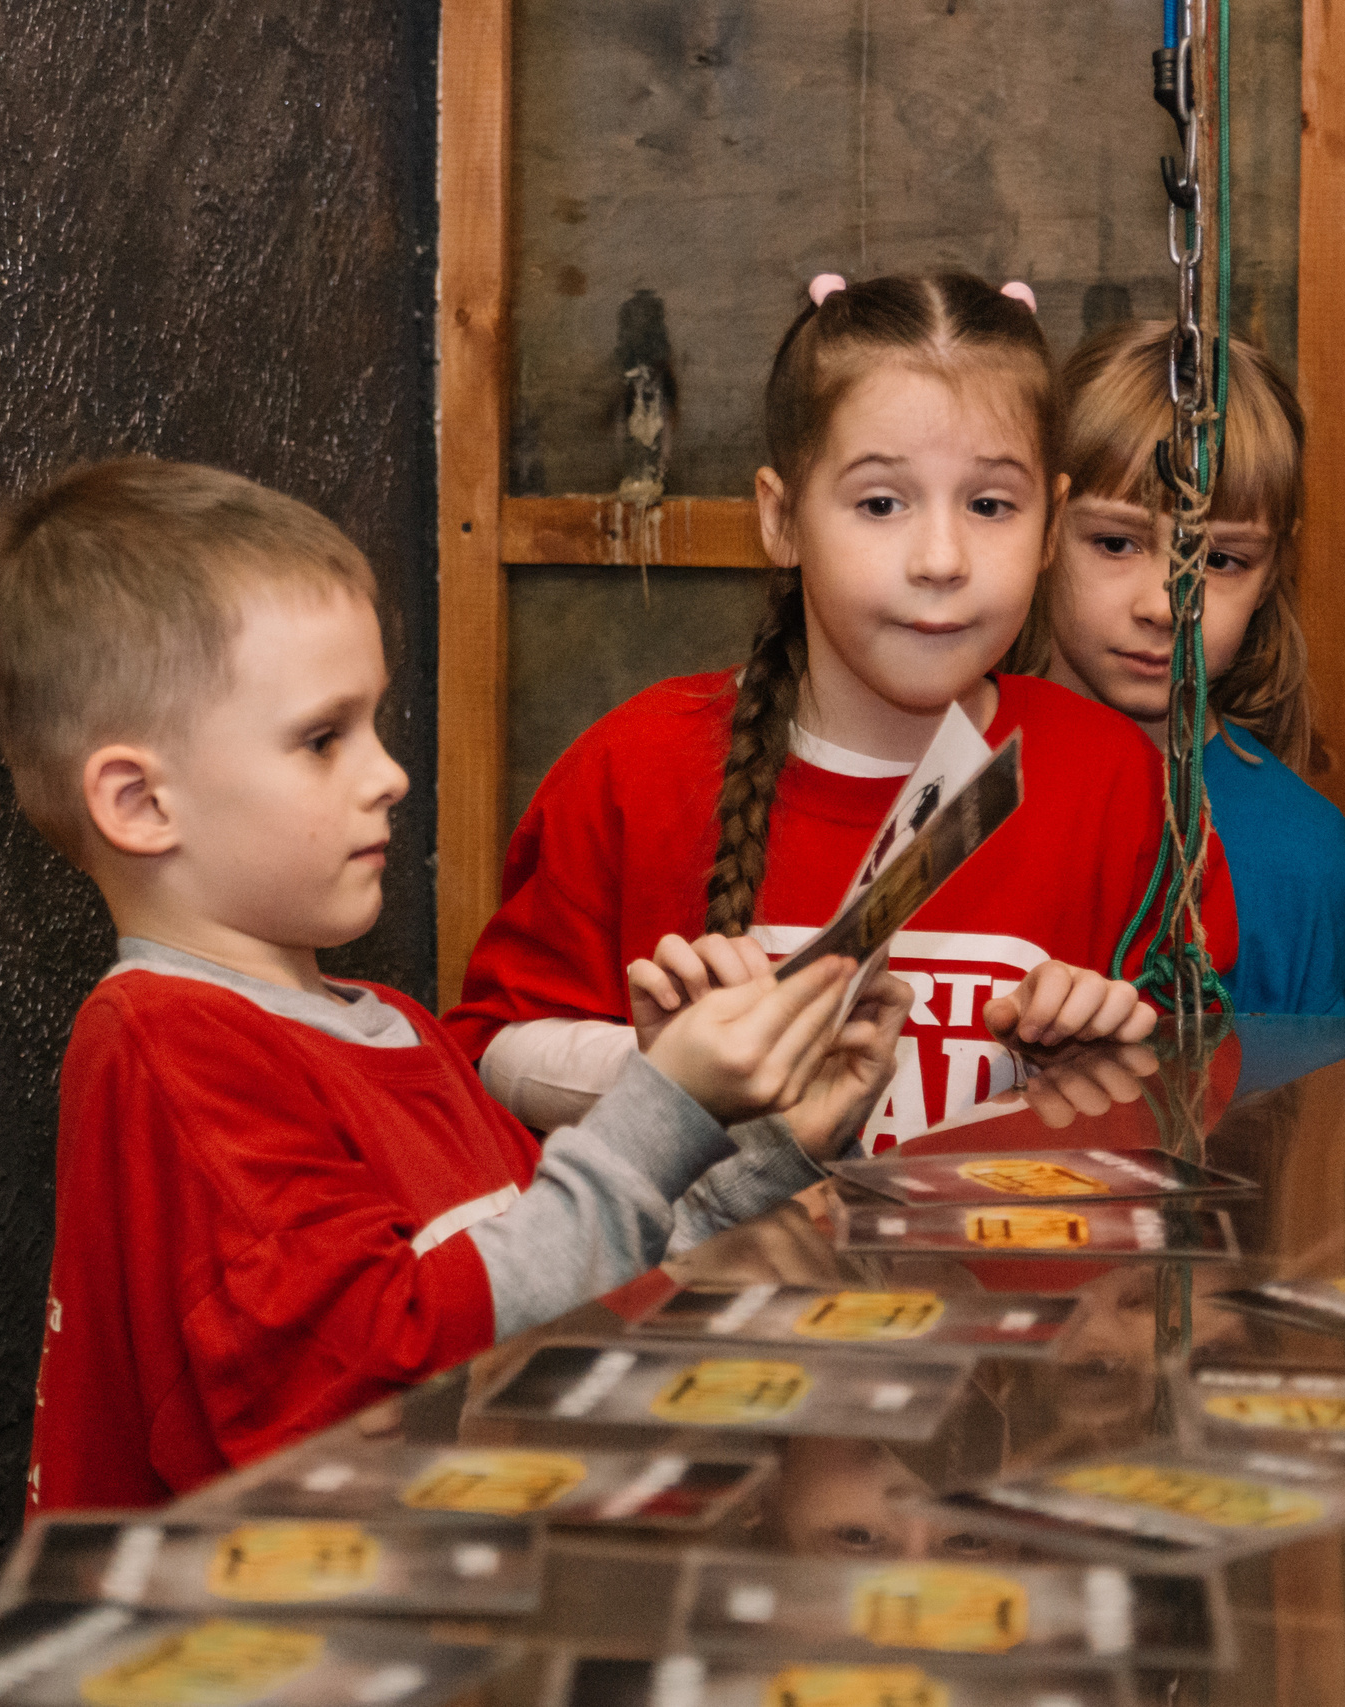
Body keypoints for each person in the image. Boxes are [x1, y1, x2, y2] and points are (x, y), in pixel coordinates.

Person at [0, 458, 909, 1511]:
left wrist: (766, 1152)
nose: (389, 774)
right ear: (142, 803)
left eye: (373, 725)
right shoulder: (168, 1046)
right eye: (323, 739)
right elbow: (383, 1383)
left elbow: (560, 1283)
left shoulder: (398, 1029)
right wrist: (662, 1109)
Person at [450, 272, 1230, 1150]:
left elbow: (1208, 1081)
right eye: (881, 503)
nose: (941, 558)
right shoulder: (632, 770)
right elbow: (488, 1056)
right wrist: (671, 1071)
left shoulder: (1118, 783)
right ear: (781, 519)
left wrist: (1111, 1059)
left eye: (989, 505)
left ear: (1049, 526)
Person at [1025, 321, 1345, 1016]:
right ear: (1042, 527)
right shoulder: (945, 796)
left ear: (1272, 571)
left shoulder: (1304, 860)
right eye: (1116, 543)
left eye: (1219, 560)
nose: (1165, 605)